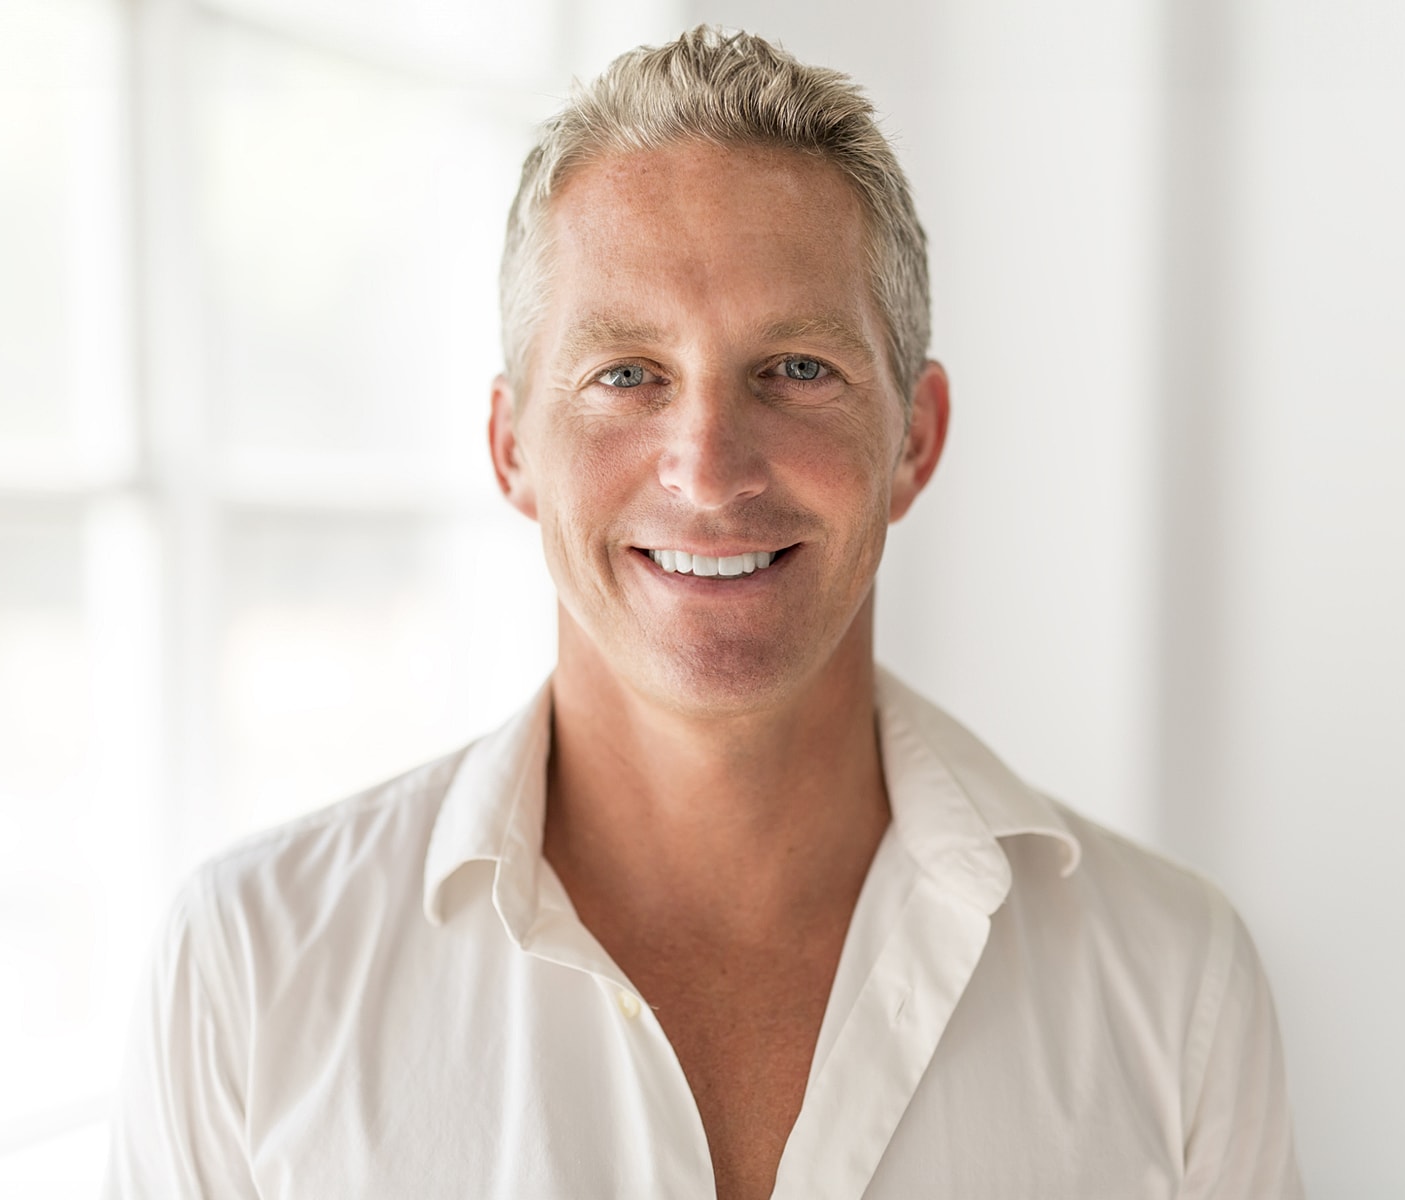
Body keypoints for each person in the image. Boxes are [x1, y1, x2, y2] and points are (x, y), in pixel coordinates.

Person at [107, 26, 1300, 1200]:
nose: (710, 467)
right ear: (510, 445)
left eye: (795, 369)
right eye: (626, 374)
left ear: (914, 440)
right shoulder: (252, 973)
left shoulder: (1172, 984)